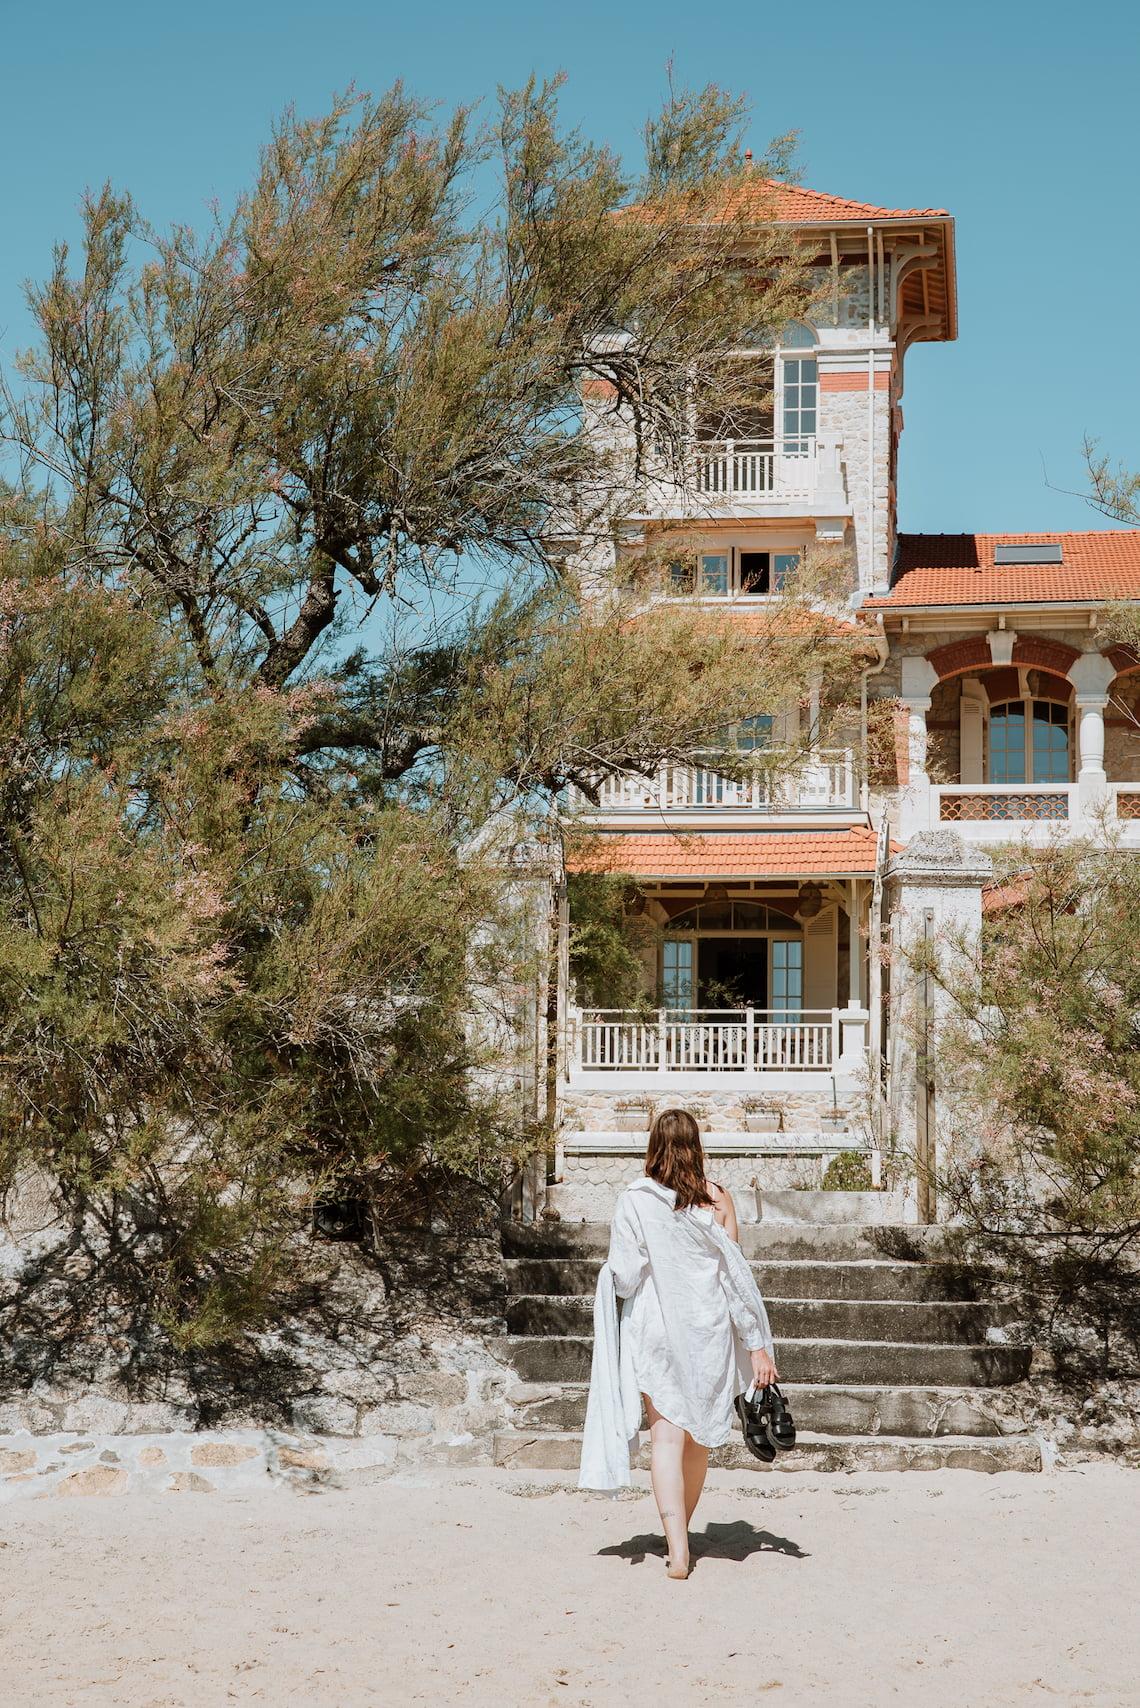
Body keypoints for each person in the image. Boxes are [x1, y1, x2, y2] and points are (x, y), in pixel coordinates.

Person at [578, 1107, 778, 1579]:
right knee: (699, 1442)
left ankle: (677, 1548)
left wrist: (608, 1282)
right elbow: (736, 1280)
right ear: (696, 1146)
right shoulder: (719, 1200)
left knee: (665, 1438)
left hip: (656, 1330)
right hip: (707, 1331)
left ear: (654, 1145)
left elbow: (624, 1276)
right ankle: (681, 1535)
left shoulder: (635, 1199)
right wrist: (756, 1344)